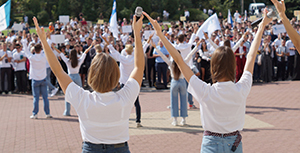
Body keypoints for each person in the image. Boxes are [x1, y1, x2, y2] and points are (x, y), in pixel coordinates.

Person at [143, 8, 272, 153]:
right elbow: (251, 56)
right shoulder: (241, 88)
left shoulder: (206, 90)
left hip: (211, 142)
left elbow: (179, 60)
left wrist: (160, 34)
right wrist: (261, 27)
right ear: (233, 65)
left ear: (213, 67)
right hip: (233, 143)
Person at [33, 14, 144, 152]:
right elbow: (139, 67)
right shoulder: (125, 97)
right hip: (119, 148)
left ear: (92, 75)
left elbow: (58, 71)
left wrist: (44, 41)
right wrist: (137, 34)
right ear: (116, 75)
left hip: (91, 148)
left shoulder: (82, 98)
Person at [151, 40, 200, 126]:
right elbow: (190, 55)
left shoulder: (170, 63)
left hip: (174, 82)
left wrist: (155, 48)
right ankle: (184, 119)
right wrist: (196, 47)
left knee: (173, 102)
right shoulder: (183, 62)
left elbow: (163, 57)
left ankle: (175, 120)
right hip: (182, 82)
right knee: (184, 100)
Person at [52, 42, 94, 116]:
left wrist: (54, 47)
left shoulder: (68, 61)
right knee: (81, 94)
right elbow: (85, 52)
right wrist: (91, 46)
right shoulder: (79, 61)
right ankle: (82, 110)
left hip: (70, 77)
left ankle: (67, 111)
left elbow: (60, 53)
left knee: (68, 94)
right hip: (77, 77)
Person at [21, 31, 52, 119]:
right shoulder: (44, 57)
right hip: (43, 79)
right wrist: (47, 38)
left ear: (34, 50)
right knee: (45, 97)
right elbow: (48, 48)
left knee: (36, 98)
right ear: (41, 50)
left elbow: (26, 50)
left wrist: (24, 38)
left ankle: (35, 114)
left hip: (35, 79)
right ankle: (47, 113)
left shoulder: (31, 58)